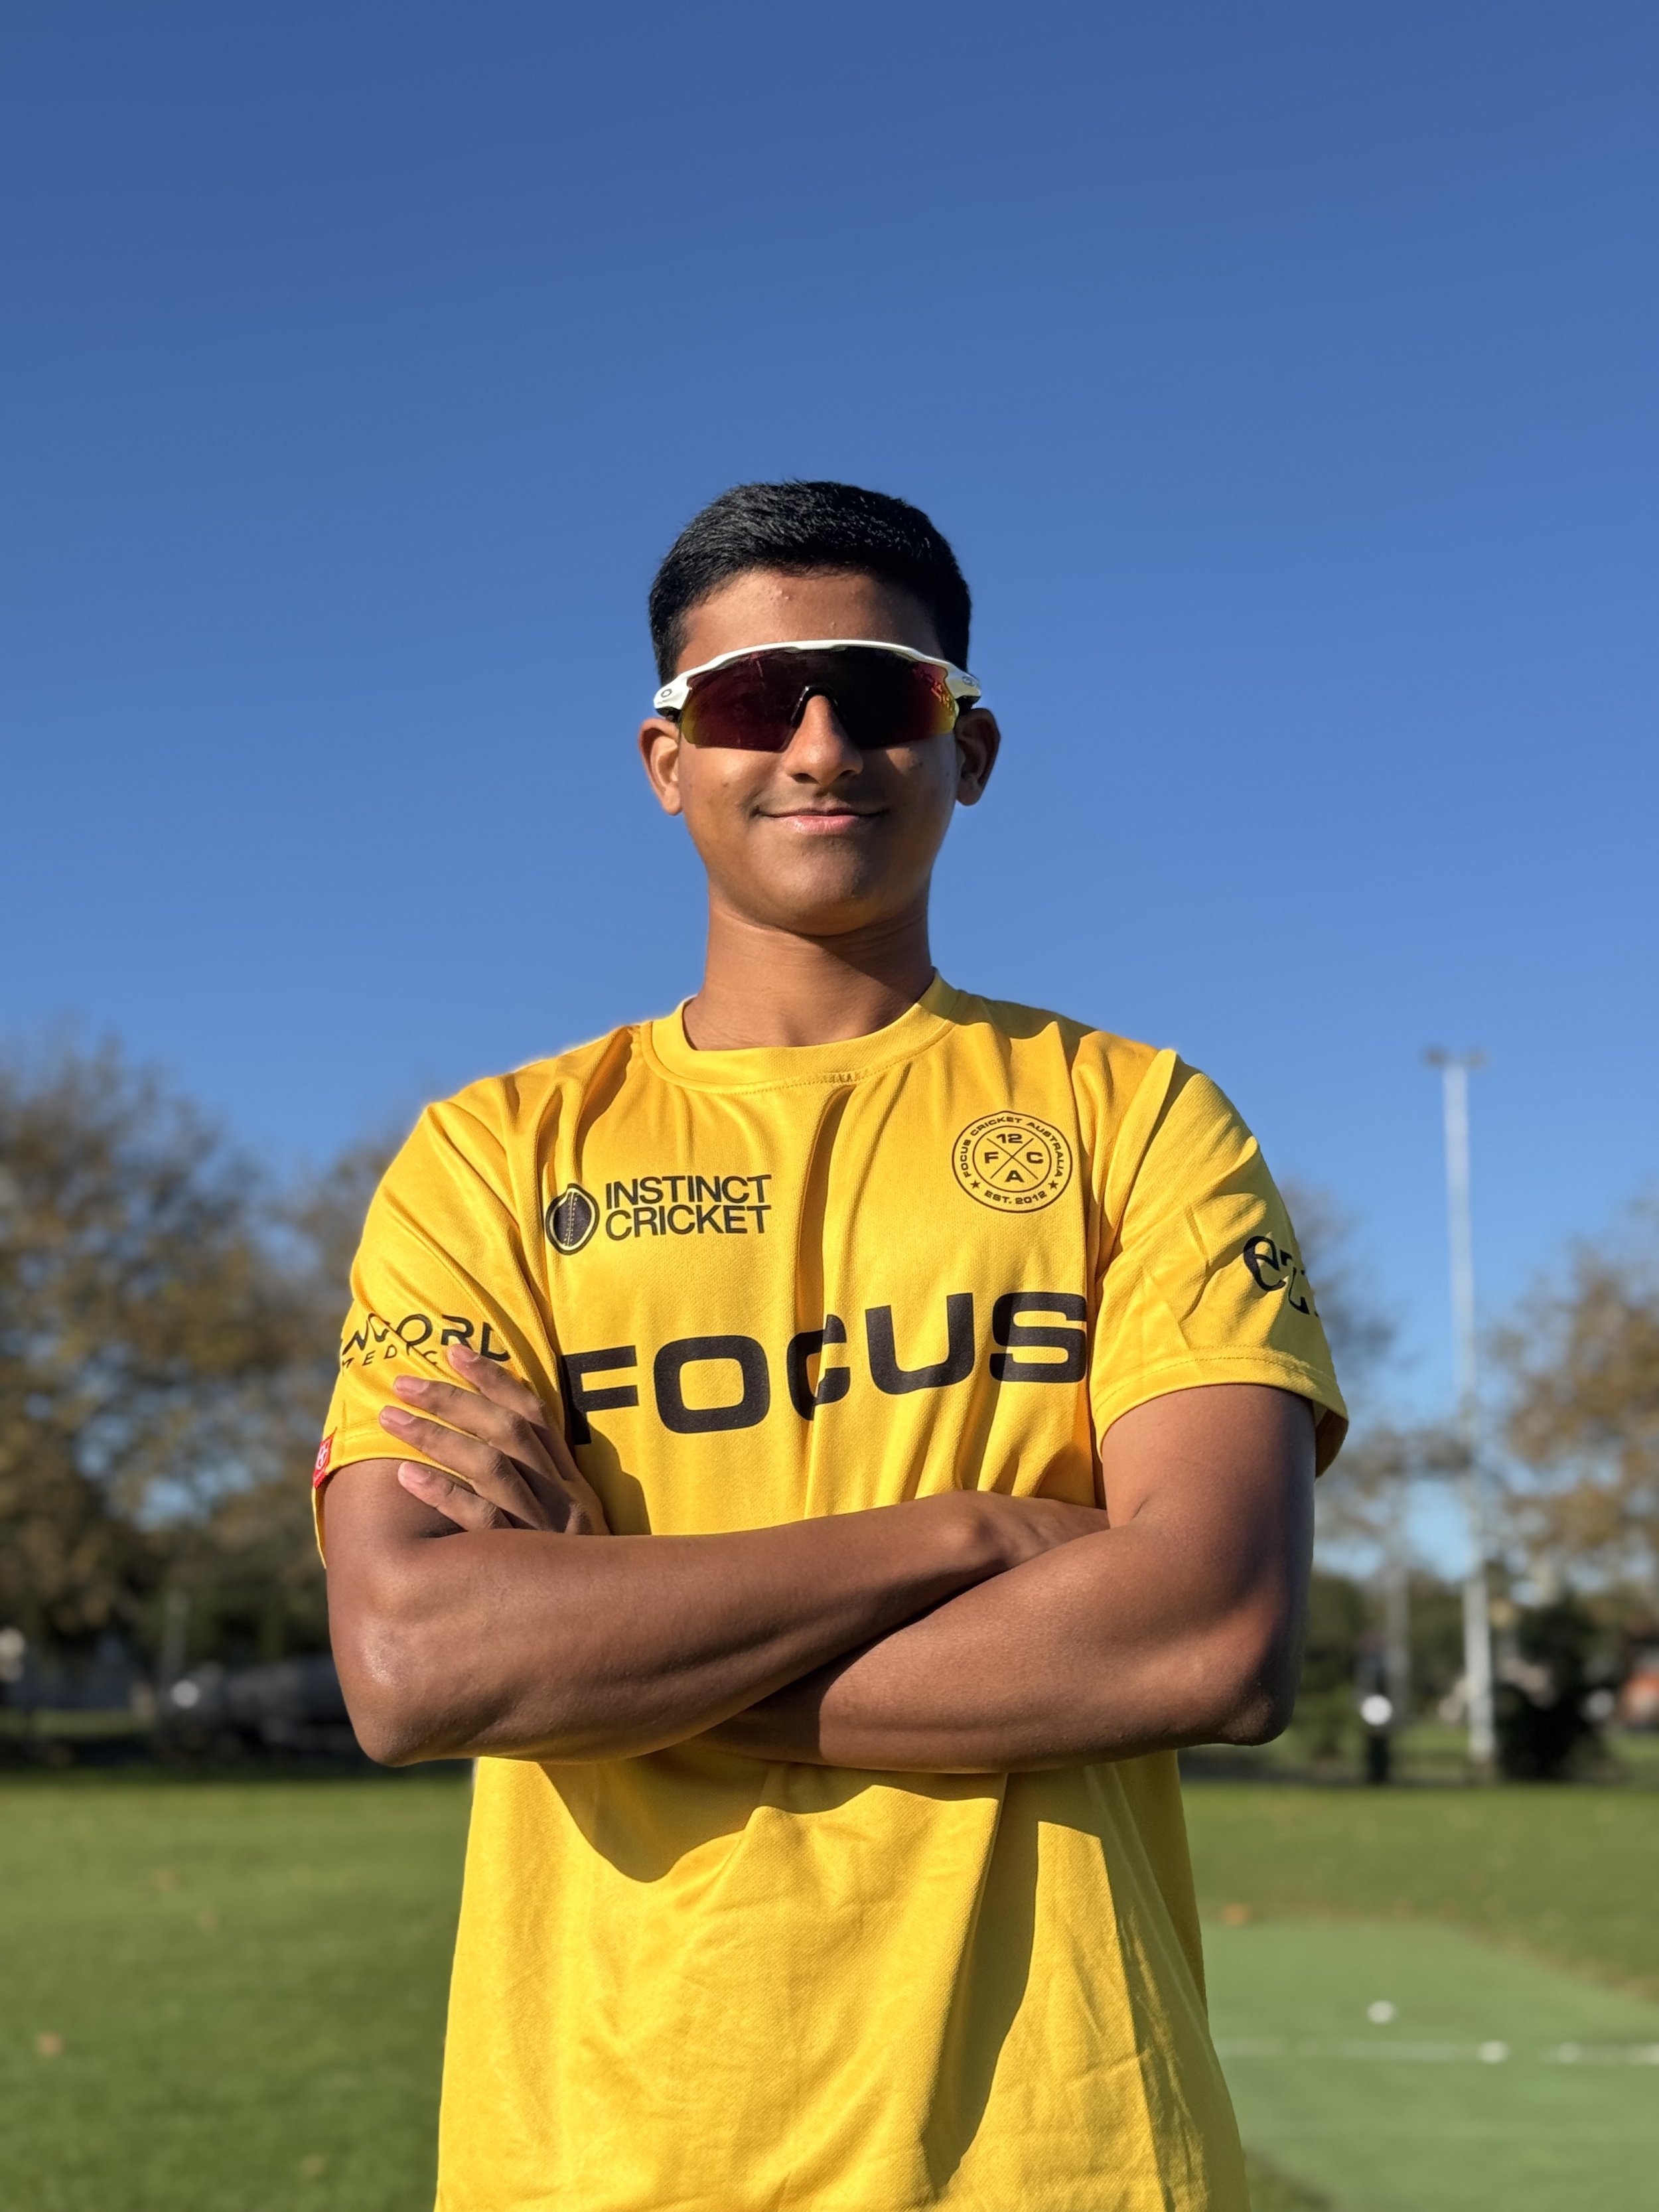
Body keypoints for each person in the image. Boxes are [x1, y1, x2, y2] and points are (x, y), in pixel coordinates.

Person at [319, 479, 1346, 2212]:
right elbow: (420, 1662)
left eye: (876, 695)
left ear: (968, 747)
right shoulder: (489, 1155)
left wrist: (620, 1651)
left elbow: (1212, 1635)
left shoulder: (1137, 1119)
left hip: (1061, 2156)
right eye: (744, 700)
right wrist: (971, 1538)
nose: (813, 745)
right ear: (665, 760)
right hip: (598, 2155)